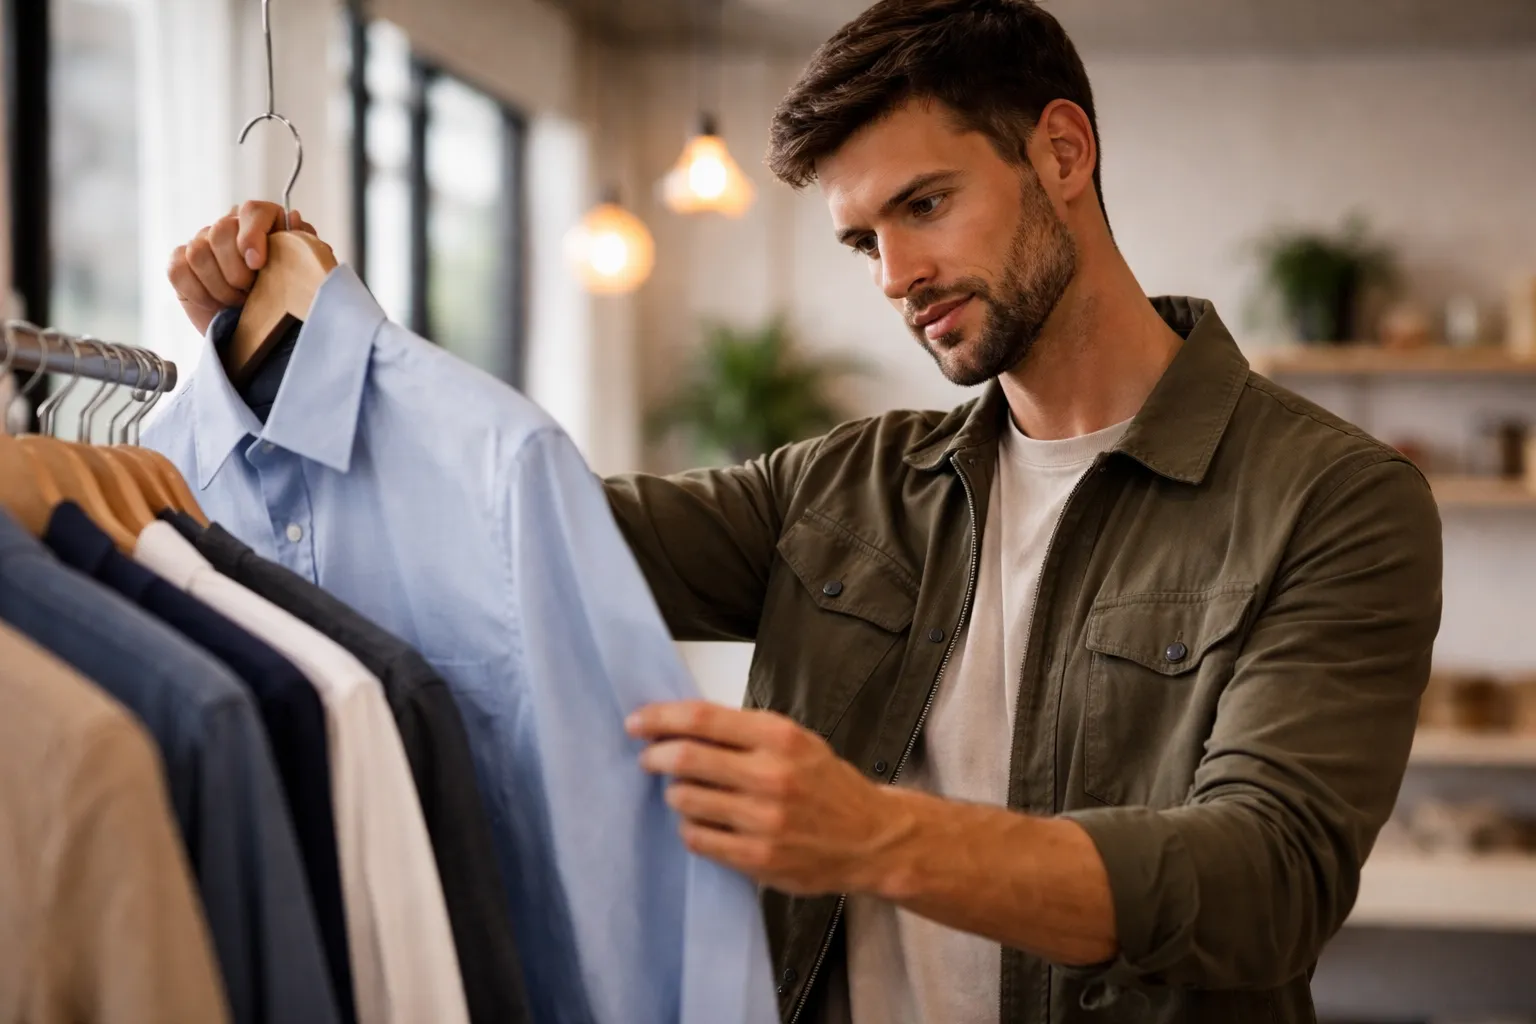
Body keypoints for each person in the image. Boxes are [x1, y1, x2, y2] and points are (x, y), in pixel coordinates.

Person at [166, 1, 1443, 1021]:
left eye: (925, 204)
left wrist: (875, 833)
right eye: (861, 240)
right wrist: (303, 357)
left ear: (1063, 151)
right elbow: (522, 528)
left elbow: (1266, 878)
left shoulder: (1332, 498)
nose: (896, 276)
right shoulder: (846, 488)